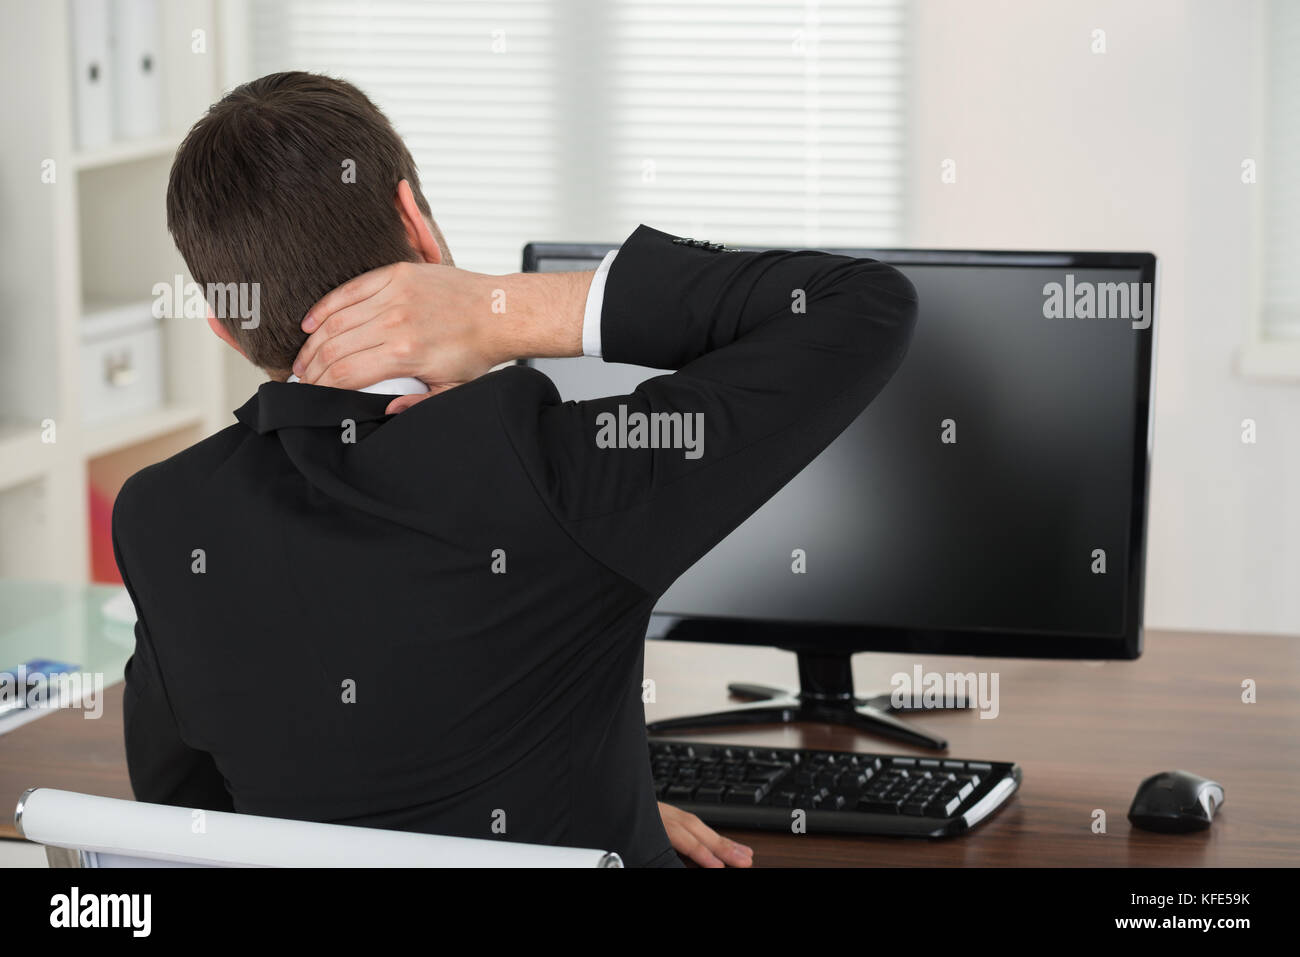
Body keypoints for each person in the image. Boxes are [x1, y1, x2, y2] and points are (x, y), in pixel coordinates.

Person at [115, 71, 917, 867]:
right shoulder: (543, 469)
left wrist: (613, 802)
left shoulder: (162, 515)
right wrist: (505, 308)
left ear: (222, 327)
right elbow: (860, 305)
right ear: (416, 223)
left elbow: (189, 816)